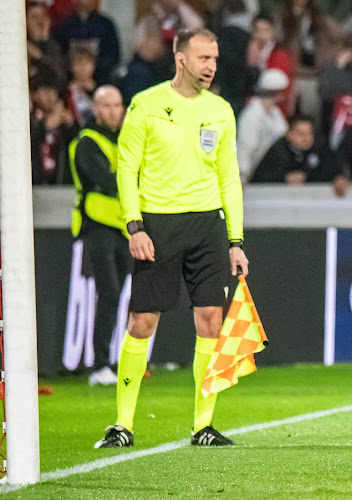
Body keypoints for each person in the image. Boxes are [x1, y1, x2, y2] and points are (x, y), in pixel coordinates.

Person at [95, 28, 248, 449]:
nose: (211, 66)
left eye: (214, 58)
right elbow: (127, 169)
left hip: (207, 226)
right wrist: (134, 225)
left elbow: (229, 177)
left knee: (211, 322)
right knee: (142, 322)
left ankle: (203, 426)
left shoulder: (220, 110)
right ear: (181, 59)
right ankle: (122, 424)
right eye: (203, 58)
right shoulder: (146, 104)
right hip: (157, 226)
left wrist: (235, 239)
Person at [68, 86, 130, 386]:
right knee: (109, 292)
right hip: (97, 226)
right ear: (95, 108)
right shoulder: (86, 142)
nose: (113, 111)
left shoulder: (125, 140)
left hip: (123, 227)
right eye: (107, 106)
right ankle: (100, 364)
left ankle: (116, 360)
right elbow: (105, 180)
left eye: (118, 105)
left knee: (118, 294)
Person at [236, 68, 290, 183]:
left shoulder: (275, 113)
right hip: (252, 174)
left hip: (269, 171)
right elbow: (245, 147)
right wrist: (243, 174)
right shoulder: (251, 115)